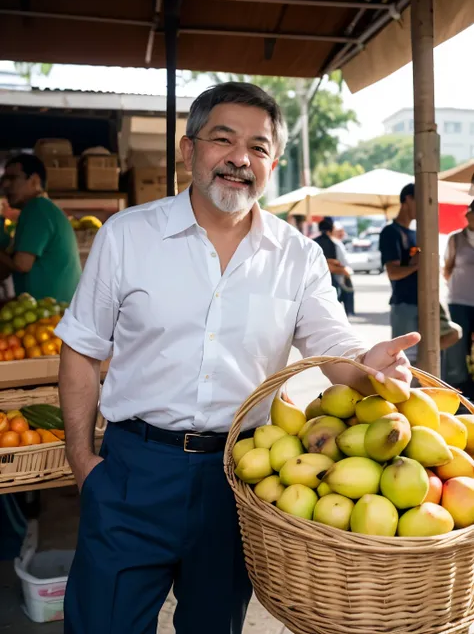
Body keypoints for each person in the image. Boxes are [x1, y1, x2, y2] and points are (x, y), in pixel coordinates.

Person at [56, 82, 419, 634]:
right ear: (188, 150)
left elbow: (333, 351)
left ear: (272, 161)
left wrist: (372, 365)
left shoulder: (297, 256)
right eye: (222, 139)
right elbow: (81, 349)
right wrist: (82, 462)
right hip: (133, 471)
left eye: (258, 146)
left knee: (214, 625)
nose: (239, 159)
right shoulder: (128, 236)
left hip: (240, 475)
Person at [380, 183, 460, 365]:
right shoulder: (390, 232)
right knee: (406, 360)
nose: (424, 208)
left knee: (452, 333)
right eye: (421, 202)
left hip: (426, 302)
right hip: (405, 304)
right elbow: (393, 273)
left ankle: (422, 378)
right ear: (408, 199)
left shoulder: (417, 233)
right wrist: (418, 265)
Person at [0, 153, 81, 303]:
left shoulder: (37, 209)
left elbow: (21, 264)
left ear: (34, 181)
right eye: (4, 179)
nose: (5, 185)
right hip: (51, 311)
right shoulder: (40, 210)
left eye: (12, 178)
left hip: (50, 316)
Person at [443, 200, 474, 397]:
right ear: (468, 216)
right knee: (457, 348)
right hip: (460, 301)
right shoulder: (455, 239)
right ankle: (459, 389)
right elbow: (447, 269)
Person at [314, 217, 353, 313]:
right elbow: (331, 264)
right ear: (331, 229)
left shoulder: (313, 242)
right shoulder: (332, 243)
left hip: (316, 282)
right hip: (331, 280)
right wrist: (342, 269)